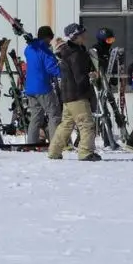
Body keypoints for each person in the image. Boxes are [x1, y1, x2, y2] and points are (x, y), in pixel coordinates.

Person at [48, 23, 100, 161]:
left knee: (66, 124)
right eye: (83, 33)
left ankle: (54, 151)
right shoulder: (76, 54)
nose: (85, 35)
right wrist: (91, 77)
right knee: (86, 124)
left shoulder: (68, 51)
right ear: (75, 36)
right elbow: (79, 76)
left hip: (67, 95)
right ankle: (85, 152)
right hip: (77, 95)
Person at [20, 26, 62, 148]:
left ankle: (31, 143)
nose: (51, 42)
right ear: (47, 38)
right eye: (50, 38)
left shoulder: (29, 48)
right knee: (54, 114)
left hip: (30, 88)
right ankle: (55, 144)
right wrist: (64, 72)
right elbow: (52, 68)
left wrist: (34, 42)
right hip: (43, 87)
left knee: (36, 117)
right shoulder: (45, 51)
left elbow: (30, 52)